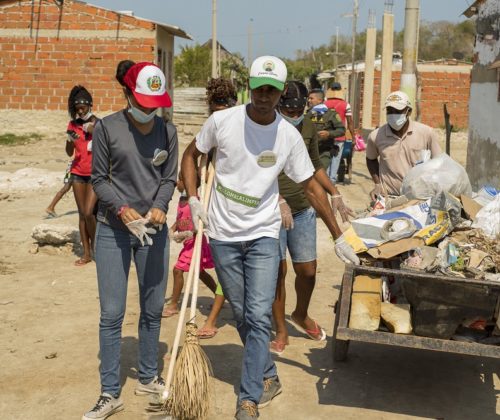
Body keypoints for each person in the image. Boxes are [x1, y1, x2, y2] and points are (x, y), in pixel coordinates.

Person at [181, 56, 358, 420]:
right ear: (249, 87)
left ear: (280, 93)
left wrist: (338, 236)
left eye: (271, 91)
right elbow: (190, 154)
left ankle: (248, 399)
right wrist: (194, 198)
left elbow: (310, 186)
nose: (264, 96)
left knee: (259, 314)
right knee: (245, 312)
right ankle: (268, 374)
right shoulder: (222, 121)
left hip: (263, 232)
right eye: (258, 88)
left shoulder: (288, 136)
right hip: (223, 233)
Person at [82, 61, 178, 420]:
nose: (149, 110)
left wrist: (159, 206)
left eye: (155, 104)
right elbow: (99, 179)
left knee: (152, 310)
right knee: (112, 314)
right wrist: (122, 210)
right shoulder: (107, 128)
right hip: (114, 230)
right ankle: (109, 393)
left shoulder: (168, 132)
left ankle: (149, 377)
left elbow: (168, 178)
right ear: (127, 94)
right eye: (143, 102)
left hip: (153, 231)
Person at [270, 81, 355, 356]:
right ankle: (281, 329)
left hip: (303, 209)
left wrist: (334, 192)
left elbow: (315, 164)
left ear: (305, 105)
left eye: (297, 109)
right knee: (277, 273)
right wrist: (277, 199)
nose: (292, 113)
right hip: (271, 212)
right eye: (286, 108)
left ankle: (301, 314)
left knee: (307, 271)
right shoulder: (268, 125)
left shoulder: (307, 125)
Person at [196, 77, 238, 339]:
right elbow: (199, 157)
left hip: (235, 204)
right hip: (215, 202)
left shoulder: (240, 122)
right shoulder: (213, 125)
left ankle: (215, 316)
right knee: (222, 262)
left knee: (228, 262)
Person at [366, 90, 441, 200]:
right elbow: (370, 159)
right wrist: (377, 184)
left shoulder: (426, 133)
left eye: (398, 111)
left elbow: (438, 162)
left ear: (408, 111)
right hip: (390, 197)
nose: (393, 115)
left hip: (420, 198)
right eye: (389, 111)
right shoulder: (376, 136)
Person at [162, 175, 217, 318]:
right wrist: (172, 230)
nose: (177, 182)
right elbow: (179, 219)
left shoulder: (196, 201)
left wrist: (188, 234)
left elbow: (201, 224)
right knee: (200, 272)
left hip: (196, 241)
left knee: (177, 270)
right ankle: (219, 296)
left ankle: (174, 304)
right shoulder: (181, 201)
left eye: (180, 179)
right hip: (187, 243)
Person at [65, 85, 98, 266]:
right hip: (78, 173)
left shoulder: (98, 124)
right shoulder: (73, 125)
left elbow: (108, 147)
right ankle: (87, 253)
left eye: (83, 107)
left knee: (89, 212)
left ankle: (98, 248)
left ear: (90, 105)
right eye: (77, 108)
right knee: (82, 215)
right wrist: (70, 140)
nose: (80, 110)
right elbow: (69, 152)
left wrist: (95, 132)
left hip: (94, 174)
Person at [307, 88, 345, 174]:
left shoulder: (331, 114)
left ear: (320, 100)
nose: (309, 100)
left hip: (324, 152)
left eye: (311, 98)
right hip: (309, 152)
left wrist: (329, 134)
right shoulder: (308, 113)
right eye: (308, 98)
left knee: (319, 175)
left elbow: (342, 130)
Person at [325, 82, 356, 182]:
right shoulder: (345, 105)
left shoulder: (324, 104)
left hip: (326, 136)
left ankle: (325, 181)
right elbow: (350, 122)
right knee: (336, 159)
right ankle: (332, 181)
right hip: (339, 136)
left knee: (326, 158)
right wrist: (353, 137)